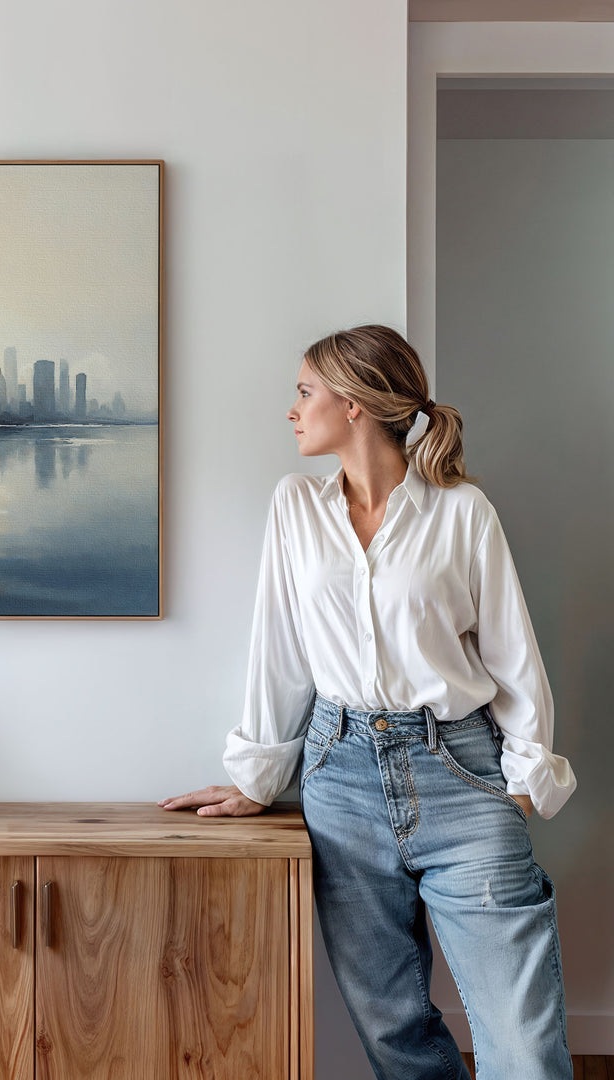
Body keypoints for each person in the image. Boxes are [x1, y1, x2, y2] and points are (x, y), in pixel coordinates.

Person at [160, 325, 576, 1080]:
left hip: (462, 770)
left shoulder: (462, 512)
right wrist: (259, 777)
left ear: (353, 405)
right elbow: (278, 649)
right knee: (394, 1033)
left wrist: (522, 780)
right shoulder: (295, 508)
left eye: (304, 391)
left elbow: (514, 655)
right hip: (339, 776)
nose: (292, 409)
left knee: (523, 1042)